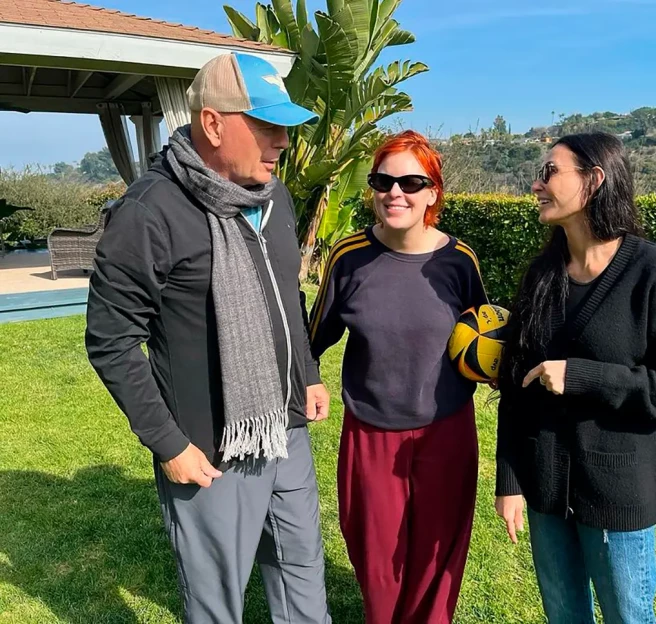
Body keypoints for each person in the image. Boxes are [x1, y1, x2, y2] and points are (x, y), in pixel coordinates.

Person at [85, 53, 332, 624]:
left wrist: (309, 372)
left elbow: (284, 296)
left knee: (302, 579)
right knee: (218, 603)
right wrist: (167, 442)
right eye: (267, 125)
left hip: (285, 428)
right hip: (210, 450)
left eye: (286, 127)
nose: (283, 142)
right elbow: (111, 338)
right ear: (214, 123)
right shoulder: (148, 212)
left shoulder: (273, 196)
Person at [494, 132, 656, 624]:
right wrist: (510, 479)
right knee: (563, 615)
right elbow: (515, 384)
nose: (536, 183)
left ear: (593, 181)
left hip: (619, 496)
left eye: (550, 172)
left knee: (627, 617)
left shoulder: (654, 274)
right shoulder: (542, 275)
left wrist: (584, 377)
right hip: (546, 492)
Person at [309, 130, 487, 624]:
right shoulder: (349, 258)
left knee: (437, 553)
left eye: (411, 181)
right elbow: (310, 340)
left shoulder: (460, 261)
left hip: (446, 429)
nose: (395, 192)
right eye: (383, 181)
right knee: (376, 557)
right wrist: (309, 377)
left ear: (433, 192)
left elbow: (482, 340)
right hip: (371, 431)